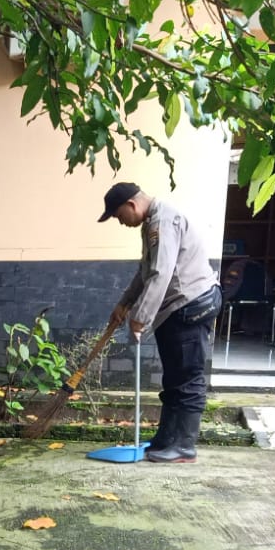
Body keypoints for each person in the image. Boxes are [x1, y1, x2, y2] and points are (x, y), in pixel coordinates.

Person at [99, 183, 222, 464]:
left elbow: (160, 274)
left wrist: (140, 317)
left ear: (131, 205)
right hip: (177, 308)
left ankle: (184, 446)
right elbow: (145, 271)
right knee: (174, 378)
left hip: (190, 305)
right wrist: (125, 303)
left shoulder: (163, 223)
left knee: (187, 378)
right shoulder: (152, 222)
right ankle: (166, 440)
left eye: (119, 216)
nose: (121, 222)